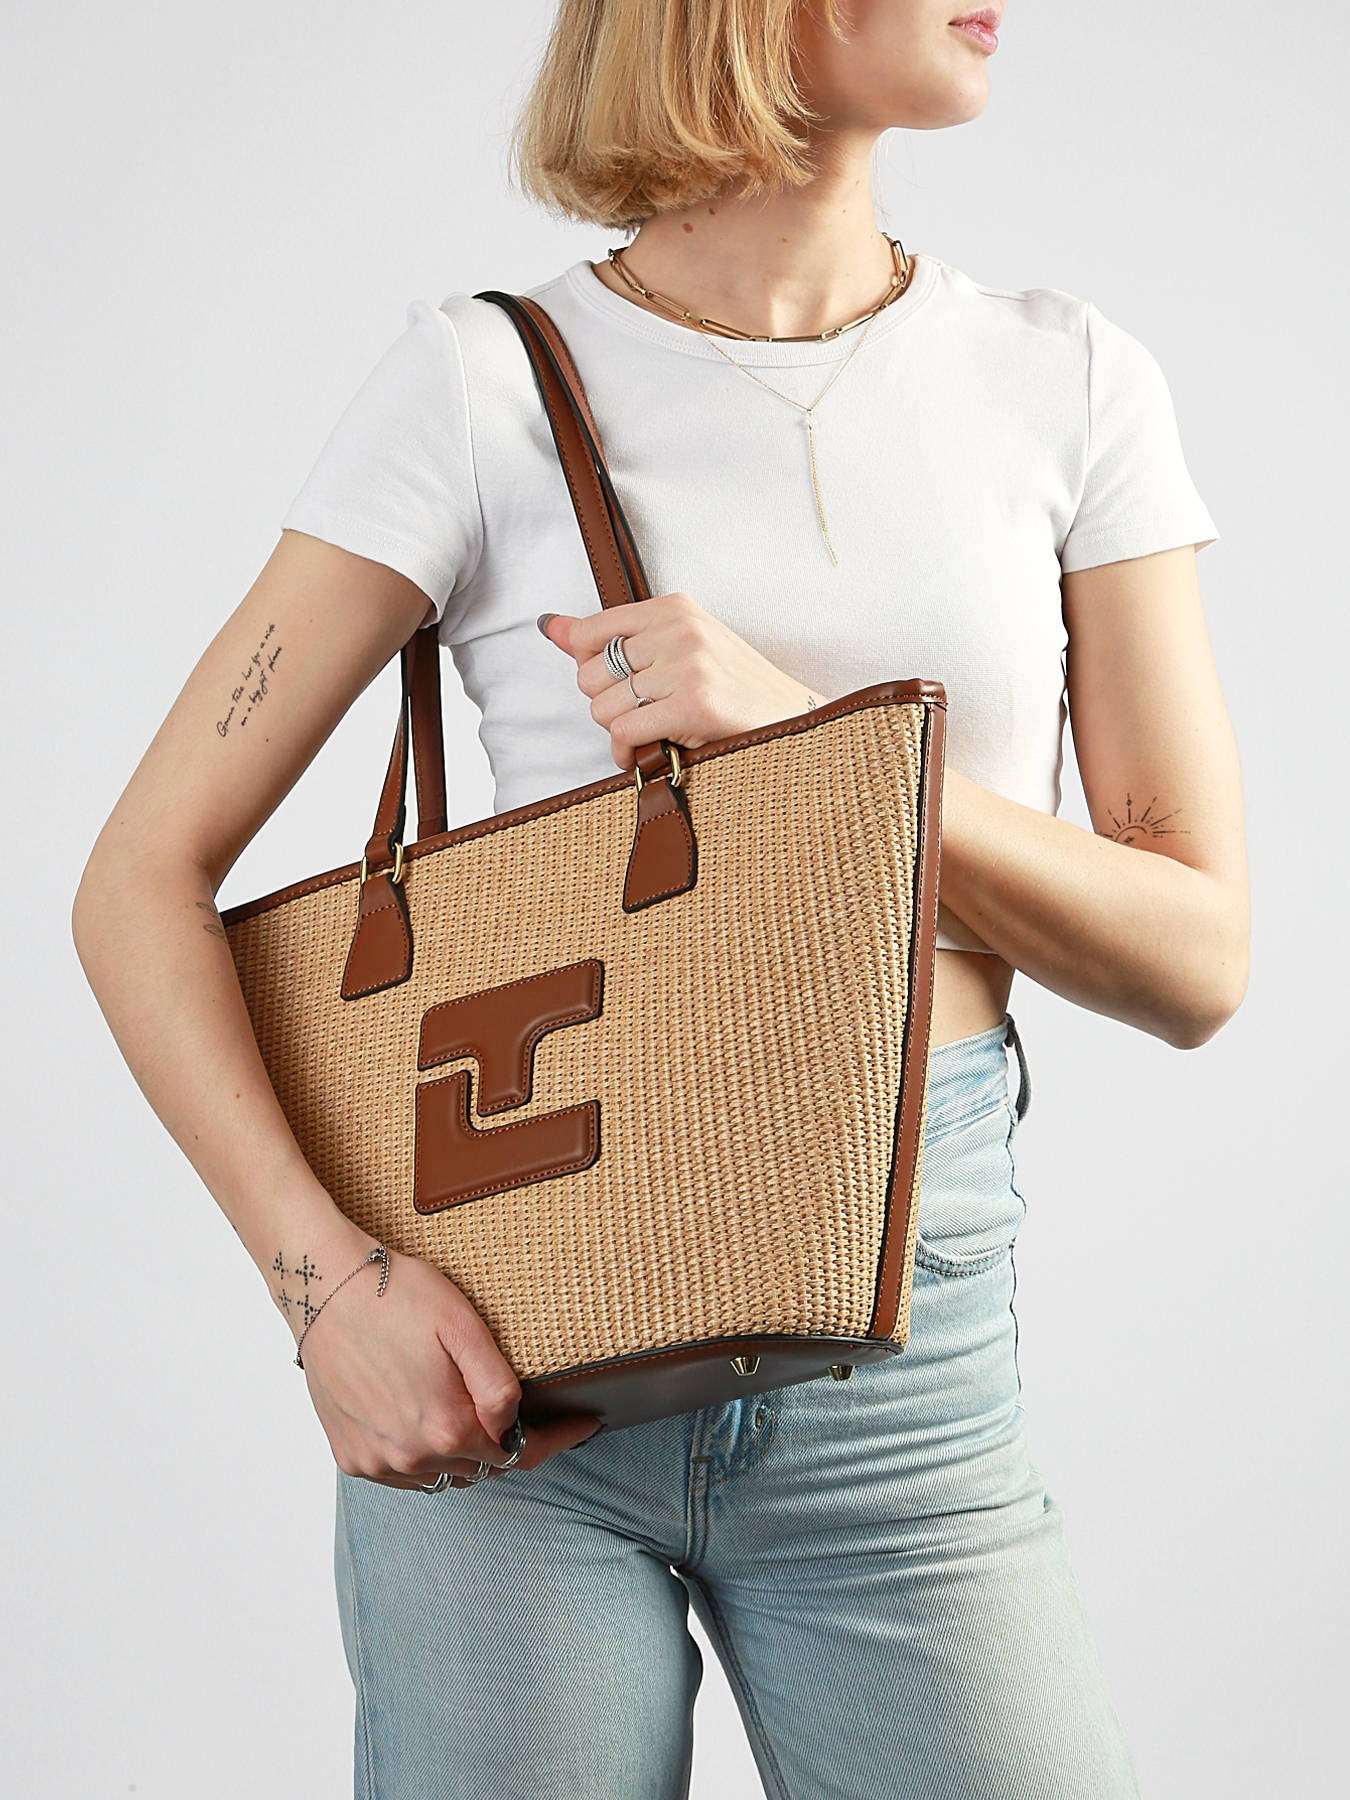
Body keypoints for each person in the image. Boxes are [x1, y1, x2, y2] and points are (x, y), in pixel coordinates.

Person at [71, 1, 1249, 1794]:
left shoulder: (1068, 378)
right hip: (509, 1343)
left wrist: (807, 745)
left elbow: (1194, 957)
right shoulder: (480, 382)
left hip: (905, 1354)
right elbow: (137, 878)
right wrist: (326, 1292)